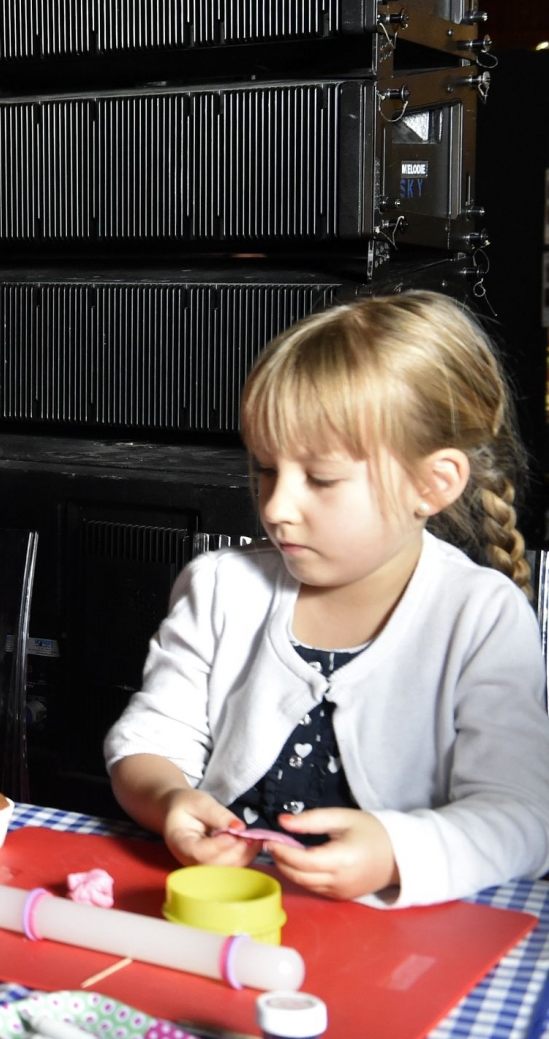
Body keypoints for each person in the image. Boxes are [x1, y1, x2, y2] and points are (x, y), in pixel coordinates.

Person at [106, 292, 549, 908]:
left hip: (398, 944)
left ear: (434, 483)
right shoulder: (220, 588)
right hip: (226, 912)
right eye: (265, 468)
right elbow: (147, 742)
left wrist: (396, 850)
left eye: (321, 478)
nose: (276, 507)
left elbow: (525, 817)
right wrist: (171, 800)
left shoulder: (480, 616)